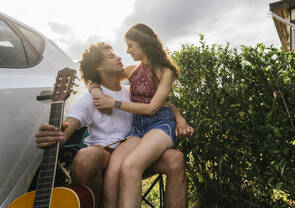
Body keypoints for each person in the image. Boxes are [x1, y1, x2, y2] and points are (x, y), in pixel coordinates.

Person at [35, 42, 193, 208]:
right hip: (105, 153)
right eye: (111, 56)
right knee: (86, 157)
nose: (119, 57)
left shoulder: (132, 92)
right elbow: (70, 124)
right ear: (98, 67)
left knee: (176, 159)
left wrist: (180, 120)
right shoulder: (90, 99)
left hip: (137, 149)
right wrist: (57, 135)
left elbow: (162, 104)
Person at [89, 23, 186, 208]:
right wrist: (96, 92)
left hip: (160, 126)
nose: (127, 51)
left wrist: (115, 103)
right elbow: (95, 79)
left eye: (131, 45)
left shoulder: (166, 71)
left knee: (130, 166)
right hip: (137, 128)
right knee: (112, 171)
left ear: (143, 43)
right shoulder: (131, 71)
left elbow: (152, 108)